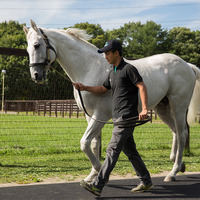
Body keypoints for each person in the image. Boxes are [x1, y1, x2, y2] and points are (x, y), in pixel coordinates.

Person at [73, 39, 153, 196]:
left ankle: (98, 184)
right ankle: (146, 180)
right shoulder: (113, 72)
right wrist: (84, 87)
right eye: (104, 53)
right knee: (130, 151)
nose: (105, 56)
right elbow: (103, 88)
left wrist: (144, 109)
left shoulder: (129, 69)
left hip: (126, 117)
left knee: (112, 150)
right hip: (117, 117)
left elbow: (141, 86)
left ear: (117, 53)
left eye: (108, 53)